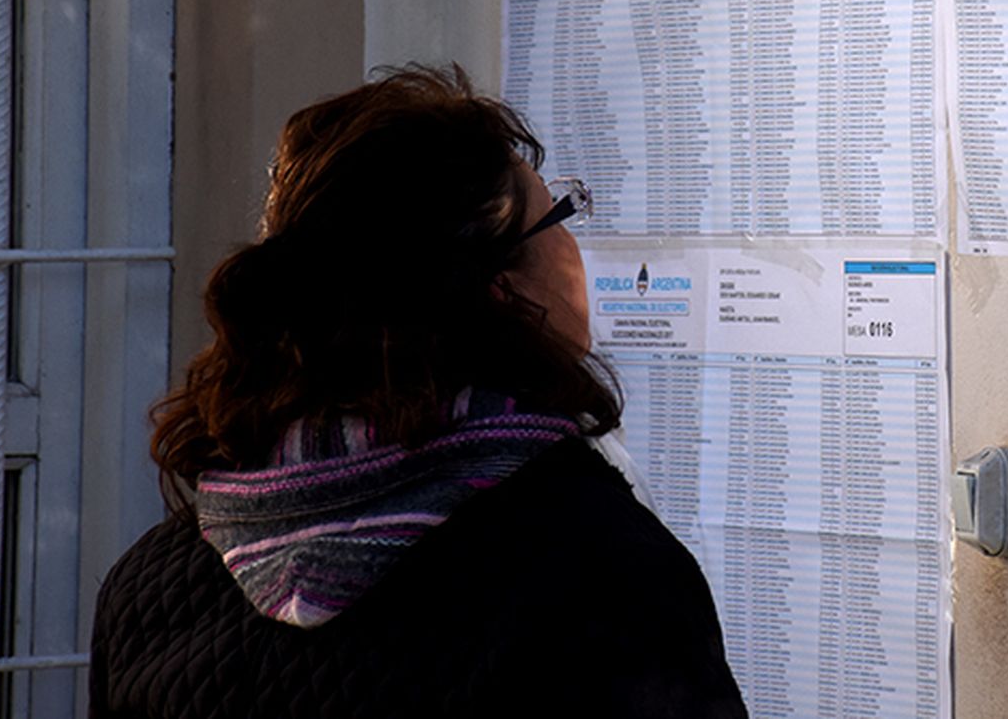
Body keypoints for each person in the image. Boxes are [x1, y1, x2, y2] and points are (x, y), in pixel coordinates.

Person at [89, 65, 747, 718]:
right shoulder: (596, 570)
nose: (576, 242)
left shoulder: (152, 586)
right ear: (504, 292)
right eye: (560, 215)